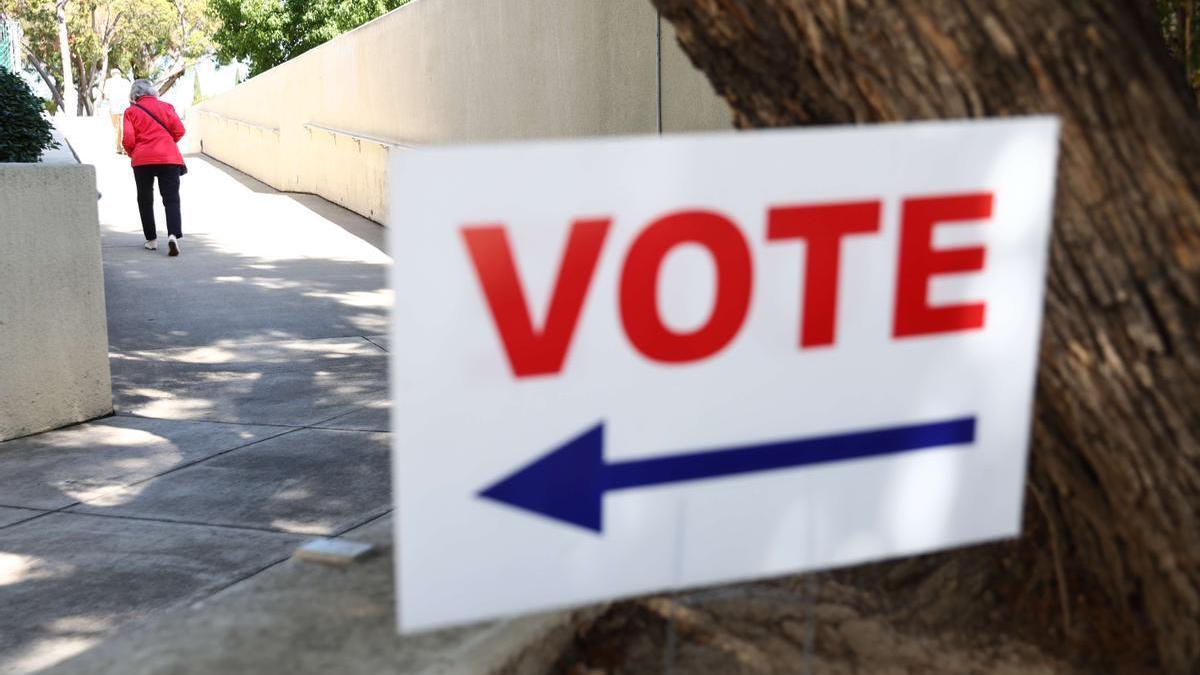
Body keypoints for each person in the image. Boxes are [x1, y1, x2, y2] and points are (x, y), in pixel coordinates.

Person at [122, 79, 186, 257]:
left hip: (142, 160)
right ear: (152, 92)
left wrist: (133, 152)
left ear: (134, 95)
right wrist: (166, 142)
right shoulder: (167, 107)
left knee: (145, 199)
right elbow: (179, 130)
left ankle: (151, 240)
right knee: (171, 198)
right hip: (169, 157)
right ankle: (173, 235)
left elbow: (128, 139)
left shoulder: (130, 112)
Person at [102, 69, 131, 154]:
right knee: (124, 127)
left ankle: (118, 148)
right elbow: (130, 95)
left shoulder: (108, 82)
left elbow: (106, 96)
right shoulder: (126, 82)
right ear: (120, 74)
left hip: (114, 107)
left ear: (112, 74)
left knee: (116, 128)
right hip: (125, 107)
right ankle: (125, 148)